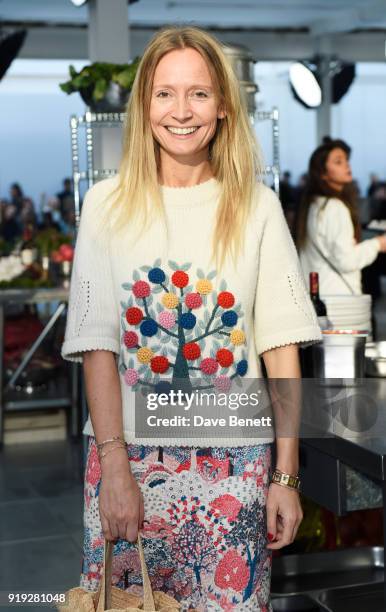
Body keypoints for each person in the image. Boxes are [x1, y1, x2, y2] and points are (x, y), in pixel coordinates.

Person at [62, 26, 321, 611]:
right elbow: (98, 344)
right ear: (143, 105)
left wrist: (285, 477)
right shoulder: (105, 206)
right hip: (129, 460)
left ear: (224, 106)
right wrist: (114, 468)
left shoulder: (255, 205)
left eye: (199, 94)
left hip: (237, 468)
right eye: (164, 93)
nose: (181, 111)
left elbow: (281, 348)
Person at [297, 137, 386, 295]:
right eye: (338, 162)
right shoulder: (334, 207)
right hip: (340, 300)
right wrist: (378, 244)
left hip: (318, 294)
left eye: (346, 160)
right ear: (323, 173)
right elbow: (346, 261)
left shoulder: (313, 205)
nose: (347, 164)